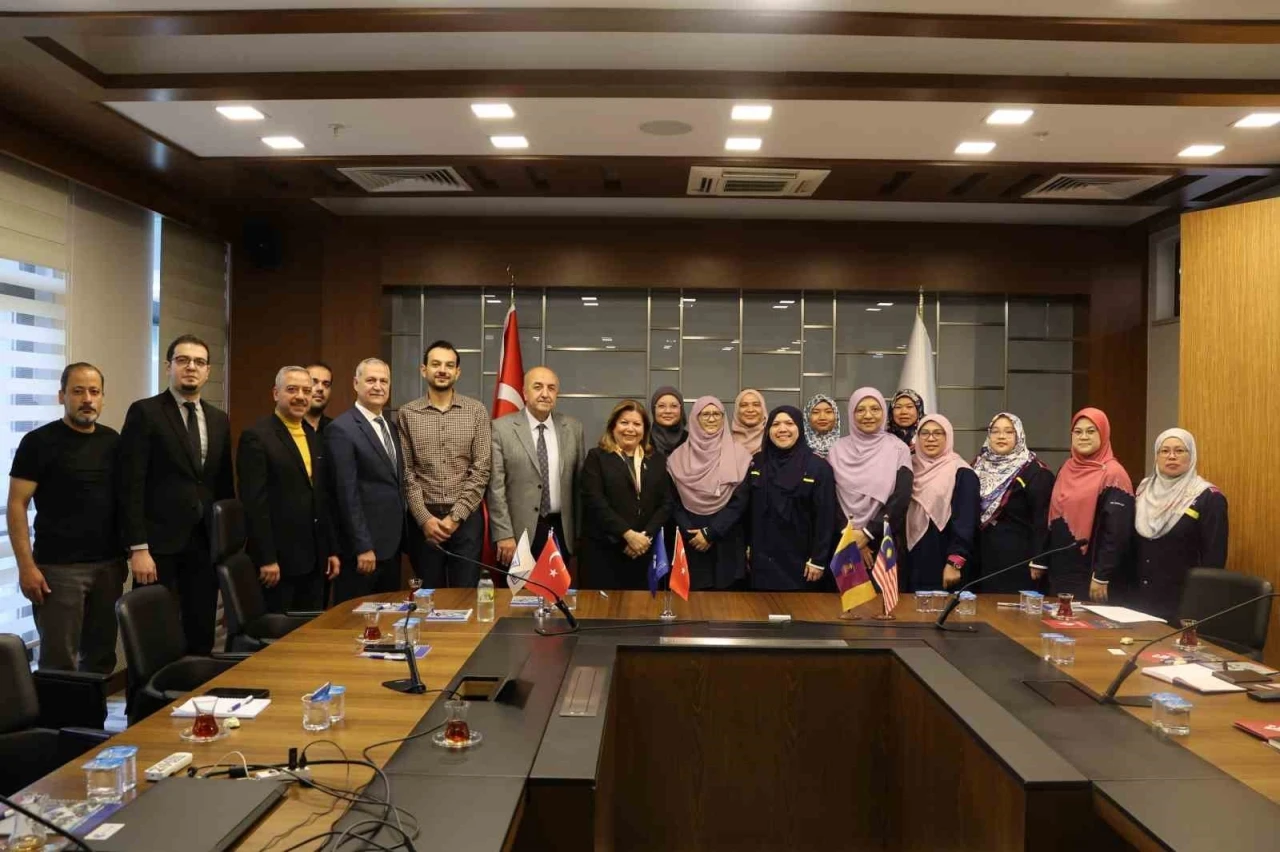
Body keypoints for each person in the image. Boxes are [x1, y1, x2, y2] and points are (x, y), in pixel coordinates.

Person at [119, 335, 235, 655]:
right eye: (183, 360)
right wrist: (138, 548)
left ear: (208, 371)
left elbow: (224, 486)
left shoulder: (218, 420)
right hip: (157, 548)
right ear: (168, 366)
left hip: (204, 545)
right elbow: (130, 485)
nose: (191, 367)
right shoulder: (145, 412)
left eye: (199, 362)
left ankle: (200, 687)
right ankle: (150, 692)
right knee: (154, 636)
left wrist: (225, 546)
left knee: (200, 633)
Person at [8, 363, 124, 672]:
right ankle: (55, 709)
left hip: (109, 567)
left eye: (94, 392)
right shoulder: (38, 442)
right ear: (62, 396)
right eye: (78, 391)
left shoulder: (112, 442)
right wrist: (26, 567)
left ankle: (93, 708)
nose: (87, 399)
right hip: (58, 571)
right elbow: (17, 504)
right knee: (60, 663)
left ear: (102, 398)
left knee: (101, 659)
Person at [236, 366, 341, 613]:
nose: (301, 397)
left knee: (311, 628)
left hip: (315, 561)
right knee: (280, 631)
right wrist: (267, 558)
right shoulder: (257, 436)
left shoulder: (313, 435)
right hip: (278, 563)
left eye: (306, 390)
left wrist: (330, 550)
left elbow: (322, 498)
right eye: (292, 390)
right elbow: (254, 504)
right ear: (276, 393)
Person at [398, 341, 492, 587]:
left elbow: (481, 469)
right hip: (423, 522)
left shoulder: (476, 411)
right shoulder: (407, 414)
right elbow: (406, 472)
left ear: (457, 372)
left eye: (449, 365)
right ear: (424, 370)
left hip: (466, 520)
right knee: (428, 595)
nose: (442, 370)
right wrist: (424, 519)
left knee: (465, 595)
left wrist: (455, 517)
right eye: (436, 364)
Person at [326, 358, 405, 602]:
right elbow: (346, 494)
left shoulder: (390, 427)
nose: (378, 386)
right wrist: (363, 546)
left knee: (388, 615)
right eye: (371, 380)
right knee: (356, 617)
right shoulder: (342, 429)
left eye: (383, 381)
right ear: (355, 383)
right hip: (363, 551)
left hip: (391, 547)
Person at [489, 366, 585, 564]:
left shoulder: (573, 428)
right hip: (518, 533)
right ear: (524, 393)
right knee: (520, 587)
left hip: (561, 531)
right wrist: (504, 534)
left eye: (551, 388)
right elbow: (495, 488)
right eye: (538, 387)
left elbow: (579, 486)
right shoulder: (501, 428)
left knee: (559, 585)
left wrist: (579, 533)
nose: (545, 394)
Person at [1036, 407, 1134, 602]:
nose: (1083, 437)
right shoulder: (1066, 468)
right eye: (1078, 432)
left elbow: (1117, 532)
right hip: (1060, 568)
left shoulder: (1113, 474)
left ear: (1103, 434)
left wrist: (1102, 575)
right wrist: (1041, 560)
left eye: (1091, 431)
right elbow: (1053, 517)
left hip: (1089, 572)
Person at [1131, 428, 1228, 622]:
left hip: (1182, 602)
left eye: (1179, 451)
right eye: (1164, 451)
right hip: (1138, 598)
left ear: (1191, 456)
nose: (1171, 456)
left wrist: (1200, 604)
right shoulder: (1142, 490)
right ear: (1156, 456)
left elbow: (1214, 559)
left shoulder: (1208, 497)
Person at [579, 400, 671, 590]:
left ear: (644, 430)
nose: (630, 429)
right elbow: (595, 501)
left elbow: (667, 503)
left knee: (642, 607)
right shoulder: (596, 457)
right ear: (613, 426)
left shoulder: (657, 460)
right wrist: (627, 535)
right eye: (624, 422)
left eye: (637, 424)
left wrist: (644, 537)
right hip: (605, 551)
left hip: (644, 551)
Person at [744, 405, 838, 591]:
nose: (782, 429)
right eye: (776, 424)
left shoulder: (818, 467)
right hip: (763, 561)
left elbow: (826, 518)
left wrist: (818, 560)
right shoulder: (758, 463)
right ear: (768, 430)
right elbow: (749, 511)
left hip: (802, 564)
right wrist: (748, 546)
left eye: (789, 423)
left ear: (800, 428)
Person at [667, 396, 752, 590]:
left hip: (727, 541)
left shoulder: (740, 455)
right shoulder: (677, 457)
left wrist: (710, 533)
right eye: (705, 414)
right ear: (695, 419)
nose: (712, 419)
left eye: (716, 414)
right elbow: (672, 502)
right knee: (692, 604)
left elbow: (740, 502)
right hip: (691, 542)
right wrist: (692, 534)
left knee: (729, 604)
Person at [828, 388, 913, 566]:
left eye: (875, 409)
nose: (868, 415)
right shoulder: (836, 450)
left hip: (884, 543)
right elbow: (829, 498)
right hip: (843, 541)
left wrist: (867, 534)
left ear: (884, 412)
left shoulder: (898, 449)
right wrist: (851, 536)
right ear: (851, 413)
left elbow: (900, 499)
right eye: (860, 410)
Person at [972, 413, 1055, 593]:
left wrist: (1039, 560)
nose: (1001, 436)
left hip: (1017, 559)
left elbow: (1042, 519)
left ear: (1019, 436)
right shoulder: (977, 467)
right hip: (982, 557)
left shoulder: (1035, 471)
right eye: (995, 431)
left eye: (1009, 432)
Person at [905, 415, 979, 591]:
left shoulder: (961, 472)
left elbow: (966, 522)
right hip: (909, 558)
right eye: (925, 433)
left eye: (938, 433)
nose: (931, 439)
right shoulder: (907, 467)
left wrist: (955, 562)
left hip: (942, 558)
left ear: (948, 437)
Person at [649, 386, 688, 457]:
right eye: (661, 406)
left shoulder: (691, 442)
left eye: (674, 406)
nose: (668, 411)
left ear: (681, 410)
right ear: (654, 410)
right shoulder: (643, 441)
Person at [803, 393, 840, 460]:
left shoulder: (846, 449)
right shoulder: (798, 450)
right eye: (816, 412)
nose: (822, 417)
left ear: (836, 416)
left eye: (828, 412)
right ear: (807, 417)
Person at [730, 388, 767, 454]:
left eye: (756, 405)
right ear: (737, 410)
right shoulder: (725, 442)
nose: (750, 410)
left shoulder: (773, 440)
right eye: (744, 405)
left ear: (763, 409)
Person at [305, 362, 334, 433]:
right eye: (313, 382)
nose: (320, 388)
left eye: (326, 384)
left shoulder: (336, 430)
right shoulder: (285, 428)